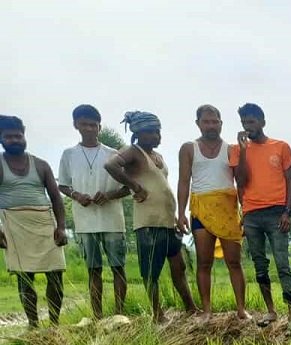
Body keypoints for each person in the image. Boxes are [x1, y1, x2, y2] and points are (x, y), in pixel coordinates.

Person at [105, 111, 197, 323]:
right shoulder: (133, 152)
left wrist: (175, 216)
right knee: (151, 271)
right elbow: (110, 165)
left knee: (179, 266)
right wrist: (134, 186)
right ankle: (157, 314)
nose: (157, 136)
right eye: (152, 132)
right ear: (139, 134)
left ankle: (191, 307)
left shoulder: (159, 157)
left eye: (158, 131)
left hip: (167, 220)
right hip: (148, 223)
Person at [176, 104, 249, 320]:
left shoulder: (231, 149)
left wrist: (245, 212)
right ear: (198, 123)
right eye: (206, 122)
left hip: (227, 209)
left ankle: (241, 309)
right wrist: (180, 214)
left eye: (214, 121)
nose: (210, 126)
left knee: (234, 262)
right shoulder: (189, 148)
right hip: (201, 209)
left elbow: (242, 181)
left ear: (221, 124)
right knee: (204, 262)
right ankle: (207, 310)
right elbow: (183, 181)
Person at [58, 105, 129, 318]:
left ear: (99, 126)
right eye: (84, 124)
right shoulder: (69, 155)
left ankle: (119, 313)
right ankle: (97, 316)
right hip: (85, 221)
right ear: (76, 125)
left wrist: (109, 195)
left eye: (93, 125)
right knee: (93, 270)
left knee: (118, 267)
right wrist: (77, 195)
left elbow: (128, 186)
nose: (89, 128)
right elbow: (63, 185)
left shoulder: (113, 154)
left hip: (113, 220)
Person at [230, 103, 291, 326]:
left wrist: (288, 212)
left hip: (277, 212)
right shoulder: (238, 150)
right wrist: (244, 151)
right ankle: (271, 311)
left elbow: (290, 181)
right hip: (251, 215)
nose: (247, 127)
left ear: (262, 122)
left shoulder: (281, 147)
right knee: (259, 264)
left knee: (282, 263)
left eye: (251, 122)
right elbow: (241, 181)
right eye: (244, 123)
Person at [0, 115, 68, 328]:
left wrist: (61, 227)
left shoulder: (40, 165)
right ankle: (33, 325)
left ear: (24, 136)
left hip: (44, 223)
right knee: (24, 278)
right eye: (8, 137)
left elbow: (56, 198)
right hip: (14, 224)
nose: (14, 140)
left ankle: (55, 325)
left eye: (18, 136)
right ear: (1, 139)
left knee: (56, 275)